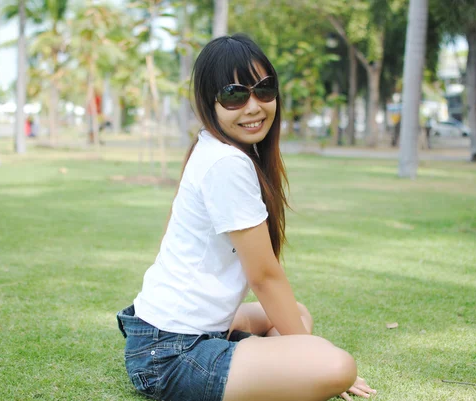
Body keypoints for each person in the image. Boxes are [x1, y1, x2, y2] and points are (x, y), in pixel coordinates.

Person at [116, 34, 376, 401]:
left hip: (163, 332)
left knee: (297, 314)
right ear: (210, 103)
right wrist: (311, 357)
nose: (253, 106)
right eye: (235, 95)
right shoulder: (226, 162)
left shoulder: (215, 147)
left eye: (264, 90)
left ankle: (266, 364)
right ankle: (282, 366)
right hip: (169, 355)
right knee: (336, 367)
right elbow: (264, 276)